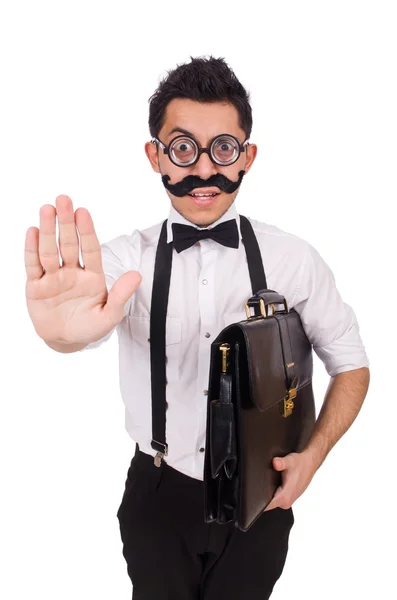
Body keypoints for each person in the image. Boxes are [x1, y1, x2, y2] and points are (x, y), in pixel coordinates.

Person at [24, 55, 370, 599]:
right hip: (158, 493)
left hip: (262, 495)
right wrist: (59, 332)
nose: (204, 170)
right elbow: (76, 326)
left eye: (223, 148)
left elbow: (350, 363)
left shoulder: (294, 260)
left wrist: (313, 457)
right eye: (183, 148)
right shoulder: (121, 261)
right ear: (155, 156)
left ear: (247, 156)